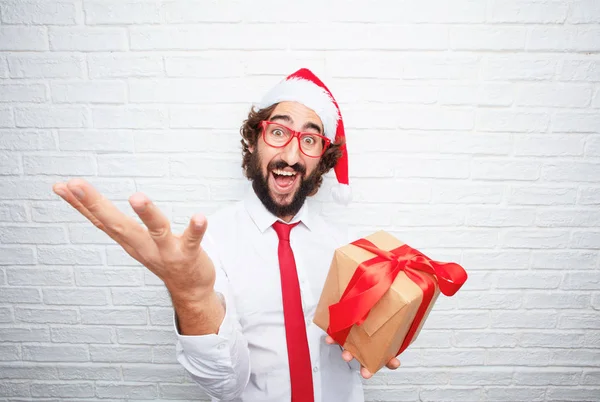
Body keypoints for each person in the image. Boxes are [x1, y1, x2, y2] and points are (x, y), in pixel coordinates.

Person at [53, 69, 400, 402]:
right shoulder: (209, 244)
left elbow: (358, 344)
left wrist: (379, 338)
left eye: (309, 140)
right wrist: (191, 297)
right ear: (253, 143)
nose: (292, 155)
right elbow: (224, 386)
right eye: (278, 132)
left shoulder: (349, 247)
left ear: (321, 160)